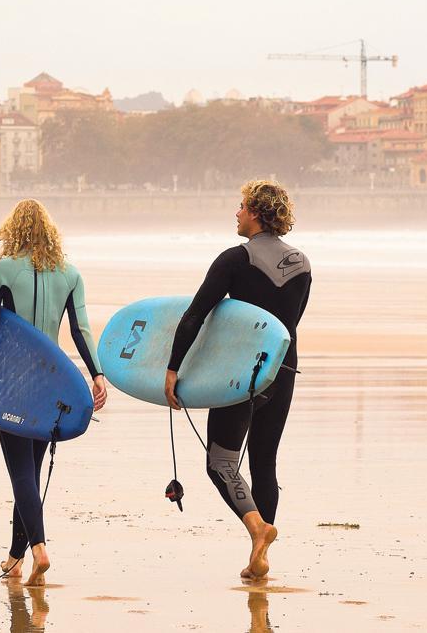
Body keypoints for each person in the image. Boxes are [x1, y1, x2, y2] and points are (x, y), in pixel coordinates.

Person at [0, 199, 108, 587]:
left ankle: (39, 549)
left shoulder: (3, 270)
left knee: (21, 473)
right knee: (30, 475)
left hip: (12, 384)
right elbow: (80, 331)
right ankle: (13, 559)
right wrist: (98, 374)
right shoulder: (70, 274)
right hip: (50, 384)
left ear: (14, 229)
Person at [164, 179, 311, 580]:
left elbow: (195, 315)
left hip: (240, 376)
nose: (237, 212)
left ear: (257, 212)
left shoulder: (234, 260)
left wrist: (174, 367)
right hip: (282, 371)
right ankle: (259, 557)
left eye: (242, 206)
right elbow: (288, 325)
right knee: (265, 462)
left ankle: (258, 528)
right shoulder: (302, 264)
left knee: (219, 463)